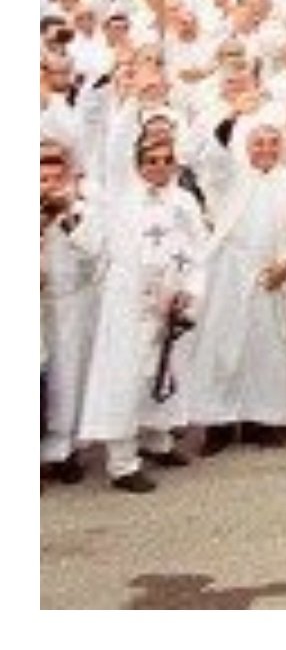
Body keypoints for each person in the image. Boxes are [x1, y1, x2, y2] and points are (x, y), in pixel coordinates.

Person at [75, 114, 208, 492]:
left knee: (166, 370)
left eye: (167, 160)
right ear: (137, 165)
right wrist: (70, 220)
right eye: (151, 161)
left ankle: (158, 440)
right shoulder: (119, 201)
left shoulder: (185, 201)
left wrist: (190, 291)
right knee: (127, 376)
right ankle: (122, 462)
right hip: (128, 302)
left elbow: (199, 250)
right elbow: (95, 243)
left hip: (172, 299)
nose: (160, 167)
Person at [186, 113, 286, 451]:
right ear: (246, 146)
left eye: (273, 143)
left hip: (272, 273)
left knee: (267, 347)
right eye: (258, 143)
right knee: (223, 346)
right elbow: (212, 162)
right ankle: (219, 426)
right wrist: (230, 119)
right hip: (229, 272)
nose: (266, 149)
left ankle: (261, 422)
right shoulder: (232, 176)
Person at [41, 138, 100, 482]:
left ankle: (65, 450)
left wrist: (65, 218)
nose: (47, 186)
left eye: (54, 179)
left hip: (70, 303)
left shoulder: (79, 210)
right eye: (41, 179)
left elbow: (95, 251)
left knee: (68, 377)